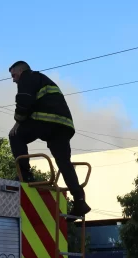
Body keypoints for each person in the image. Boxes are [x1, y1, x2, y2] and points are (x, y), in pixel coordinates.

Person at [8, 60, 91, 220]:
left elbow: (24, 101)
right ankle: (79, 200)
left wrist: (18, 119)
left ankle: (25, 176)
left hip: (46, 121)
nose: (13, 80)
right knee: (64, 162)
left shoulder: (27, 77)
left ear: (20, 71)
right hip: (63, 125)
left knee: (15, 135)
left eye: (13, 75)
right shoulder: (42, 79)